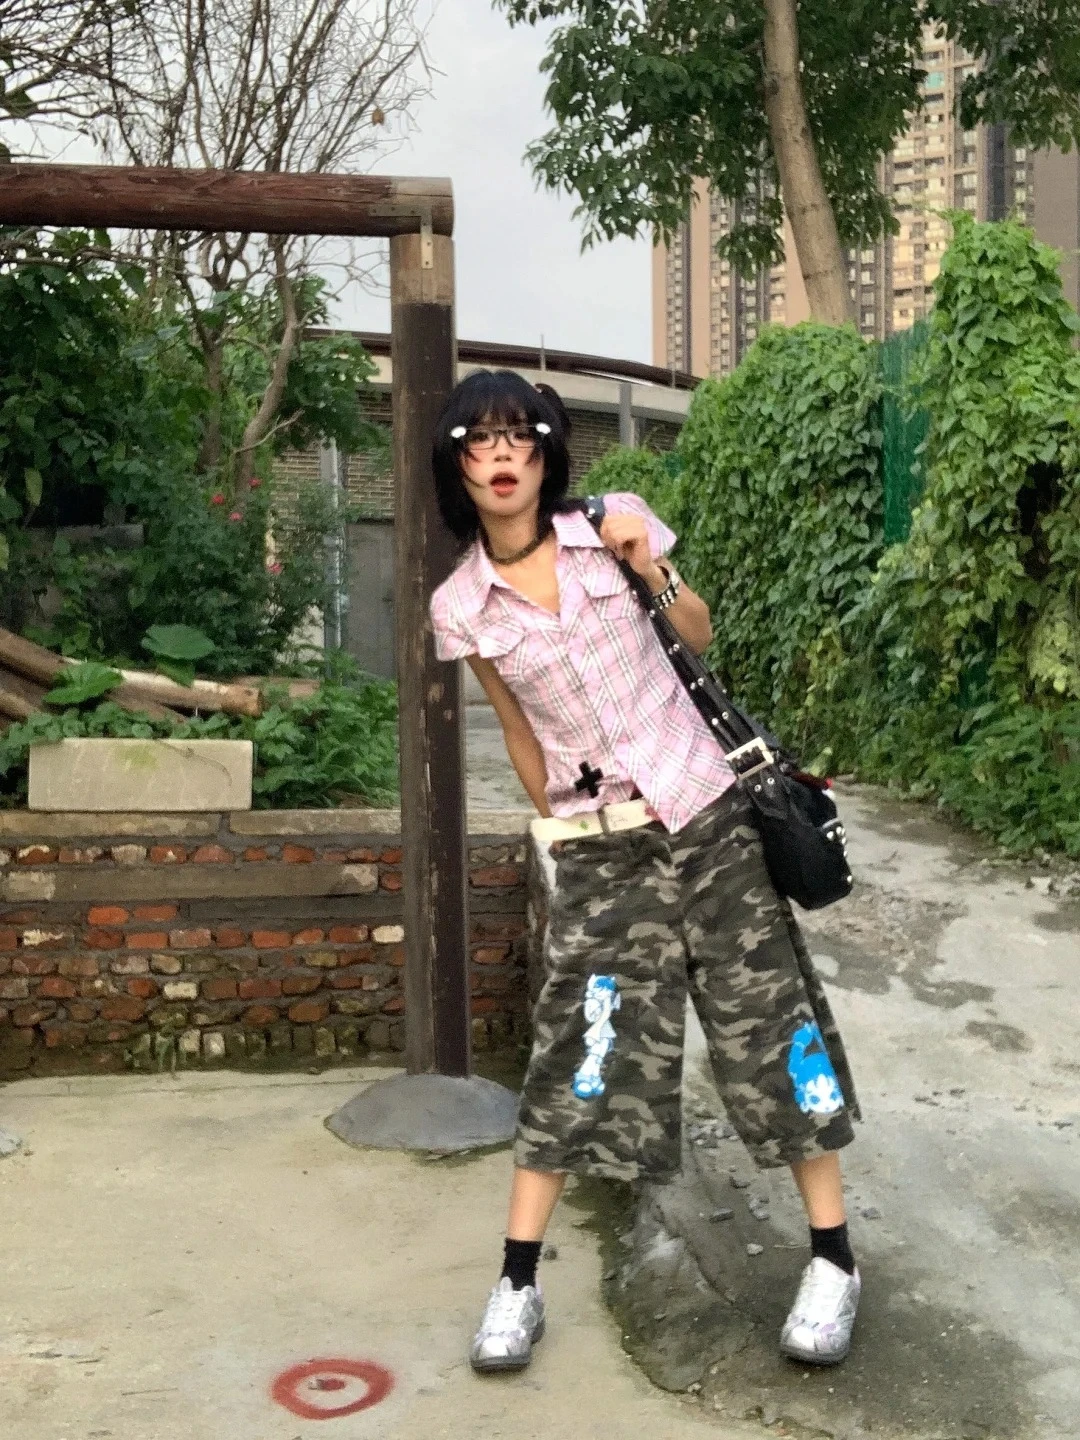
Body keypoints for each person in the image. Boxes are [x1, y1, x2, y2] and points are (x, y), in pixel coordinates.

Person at [428, 369, 862, 1376]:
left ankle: (835, 1261)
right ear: (458, 466)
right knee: (582, 1048)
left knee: (770, 1031)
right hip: (603, 845)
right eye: (478, 441)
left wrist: (649, 566)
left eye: (519, 436)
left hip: (709, 818)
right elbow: (516, 726)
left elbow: (696, 635)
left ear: (546, 453)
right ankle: (518, 1281)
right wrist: (559, 829)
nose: (501, 456)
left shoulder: (609, 527)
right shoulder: (462, 605)